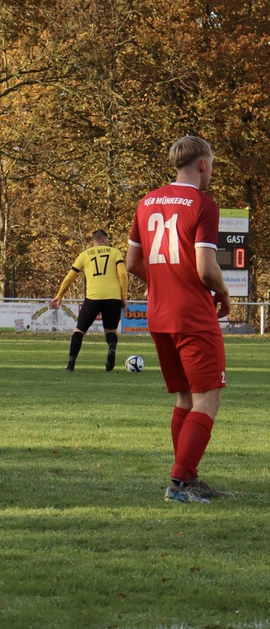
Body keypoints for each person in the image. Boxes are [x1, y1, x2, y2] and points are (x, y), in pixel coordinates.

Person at [126, 135, 233, 503]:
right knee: (208, 399)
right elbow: (206, 268)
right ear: (202, 164)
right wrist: (224, 291)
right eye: (211, 165)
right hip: (193, 315)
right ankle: (178, 484)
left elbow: (133, 262)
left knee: (186, 397)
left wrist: (163, 282)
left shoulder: (146, 201)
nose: (211, 172)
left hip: (159, 315)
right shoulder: (203, 204)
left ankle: (189, 478)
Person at [50, 229, 127, 371]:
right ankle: (111, 346)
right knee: (111, 330)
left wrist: (59, 295)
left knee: (79, 330)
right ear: (103, 240)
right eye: (107, 240)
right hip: (113, 297)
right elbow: (122, 274)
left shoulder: (84, 255)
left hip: (93, 297)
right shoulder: (115, 252)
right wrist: (123, 296)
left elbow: (69, 277)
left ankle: (70, 365)